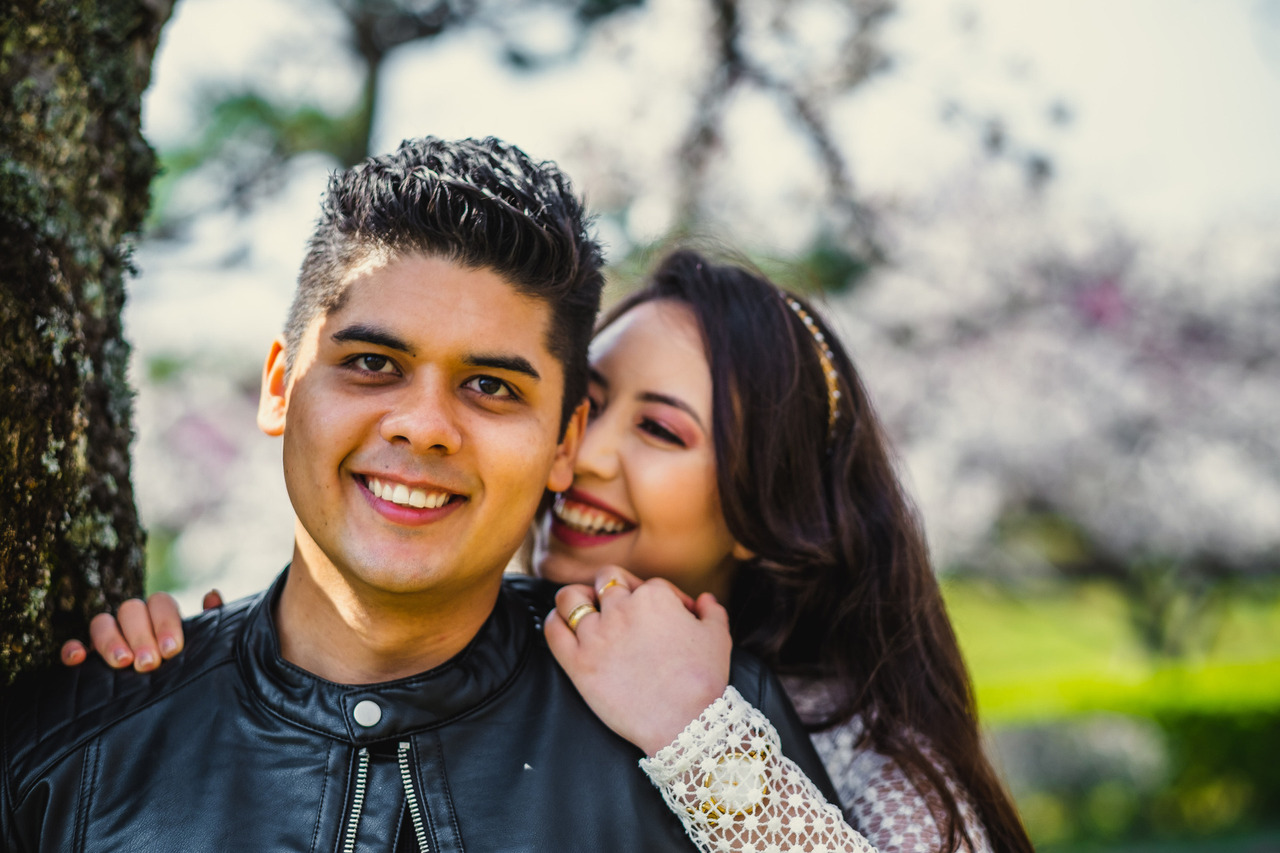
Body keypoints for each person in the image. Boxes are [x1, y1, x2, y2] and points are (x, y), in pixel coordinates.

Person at [1, 137, 844, 852]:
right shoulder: (65, 757)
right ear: (279, 386)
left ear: (564, 443)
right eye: (372, 364)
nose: (423, 426)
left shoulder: (708, 733)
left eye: (490, 386)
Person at [72, 248, 1035, 852]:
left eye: (660, 431)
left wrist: (699, 735)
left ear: (761, 504)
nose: (585, 458)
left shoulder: (866, 754)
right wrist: (194, 682)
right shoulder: (505, 649)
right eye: (588, 407)